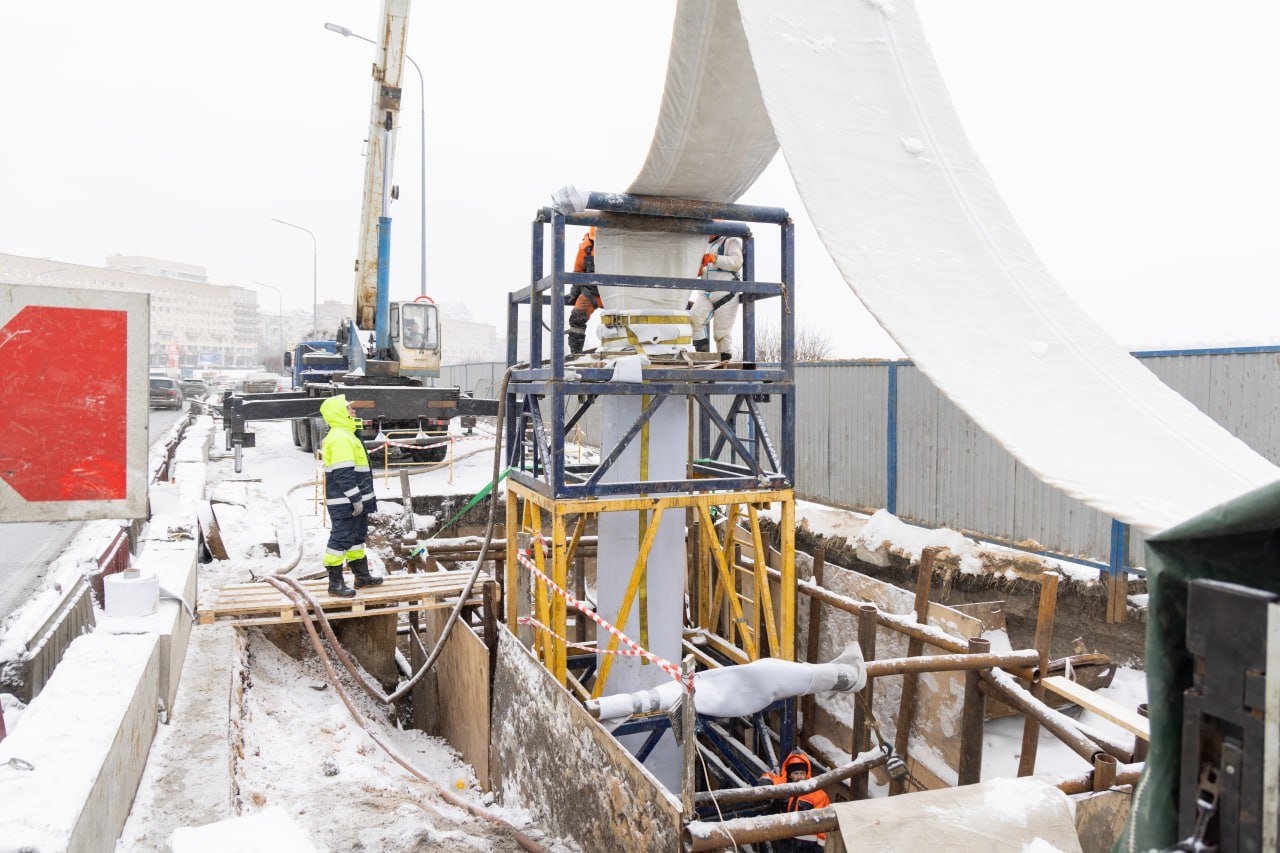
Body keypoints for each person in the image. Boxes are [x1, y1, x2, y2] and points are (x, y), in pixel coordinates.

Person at [319, 394, 383, 597]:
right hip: (346, 502)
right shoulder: (340, 437)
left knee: (356, 537)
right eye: (348, 409)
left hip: (356, 501)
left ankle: (361, 576)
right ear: (338, 413)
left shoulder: (348, 434)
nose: (353, 411)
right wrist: (355, 498)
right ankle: (335, 583)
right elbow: (343, 474)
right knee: (340, 539)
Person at [758, 751, 830, 851]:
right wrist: (766, 782)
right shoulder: (785, 787)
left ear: (807, 774)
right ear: (790, 775)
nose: (800, 777)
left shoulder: (818, 794)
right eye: (796, 773)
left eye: (802, 773)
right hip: (786, 843)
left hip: (808, 846)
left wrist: (821, 846)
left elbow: (823, 823)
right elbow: (770, 777)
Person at [690, 233, 744, 359]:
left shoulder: (731, 240)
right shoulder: (704, 245)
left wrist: (715, 259)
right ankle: (702, 357)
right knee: (694, 319)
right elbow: (701, 269)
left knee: (722, 332)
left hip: (725, 293)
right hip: (706, 292)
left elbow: (737, 262)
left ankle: (724, 363)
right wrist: (698, 269)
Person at [567, 227, 603, 356]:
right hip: (592, 292)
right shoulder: (586, 247)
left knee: (621, 319)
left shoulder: (624, 242)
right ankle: (576, 353)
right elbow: (578, 270)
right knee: (577, 317)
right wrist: (574, 293)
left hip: (617, 292)